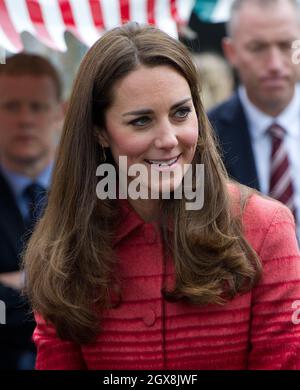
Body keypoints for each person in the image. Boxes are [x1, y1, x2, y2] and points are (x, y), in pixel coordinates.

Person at [23, 22, 300, 370]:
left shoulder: (265, 228)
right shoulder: (64, 245)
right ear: (100, 132)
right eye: (141, 121)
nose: (169, 138)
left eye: (181, 113)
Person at [208, 0, 300, 239]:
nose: (274, 64)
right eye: (257, 48)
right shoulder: (205, 136)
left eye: (286, 45)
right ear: (231, 52)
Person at [0, 53, 63, 369]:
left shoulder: (93, 193)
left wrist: (16, 283)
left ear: (59, 114)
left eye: (37, 106)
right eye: (11, 106)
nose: (25, 119)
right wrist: (57, 285)